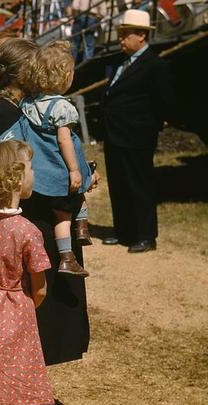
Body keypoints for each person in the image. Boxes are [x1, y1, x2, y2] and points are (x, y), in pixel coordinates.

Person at [0, 39, 93, 366]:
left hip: (47, 206)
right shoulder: (6, 113)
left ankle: (52, 349)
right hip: (35, 214)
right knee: (41, 291)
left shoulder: (27, 108)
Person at [0, 140, 55, 405]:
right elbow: (40, 288)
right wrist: (25, 307)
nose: (34, 172)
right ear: (16, 178)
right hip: (14, 309)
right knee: (14, 366)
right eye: (30, 167)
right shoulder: (27, 231)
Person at [7, 40, 93, 277]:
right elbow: (64, 141)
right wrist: (74, 169)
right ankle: (71, 248)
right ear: (65, 77)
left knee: (59, 212)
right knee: (70, 204)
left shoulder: (28, 103)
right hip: (60, 167)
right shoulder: (62, 107)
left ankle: (72, 245)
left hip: (41, 169)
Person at [101, 9, 174, 253]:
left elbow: (163, 101)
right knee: (119, 184)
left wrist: (150, 126)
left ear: (141, 35)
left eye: (126, 34)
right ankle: (123, 230)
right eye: (120, 34)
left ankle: (146, 235)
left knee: (139, 185)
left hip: (137, 136)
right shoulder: (121, 63)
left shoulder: (154, 65)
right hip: (114, 134)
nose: (121, 39)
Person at [0, 38, 39, 148]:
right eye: (39, 69)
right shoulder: (1, 113)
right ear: (22, 74)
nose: (44, 75)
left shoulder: (14, 107)